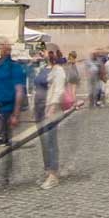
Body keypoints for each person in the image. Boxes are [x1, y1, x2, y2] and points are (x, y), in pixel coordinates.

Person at [33, 50, 67, 189]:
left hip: (49, 109)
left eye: (44, 50)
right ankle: (48, 170)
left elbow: (59, 89)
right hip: (39, 108)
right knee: (43, 141)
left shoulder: (58, 70)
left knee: (50, 141)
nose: (42, 52)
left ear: (51, 54)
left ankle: (53, 174)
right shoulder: (42, 68)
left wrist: (53, 106)